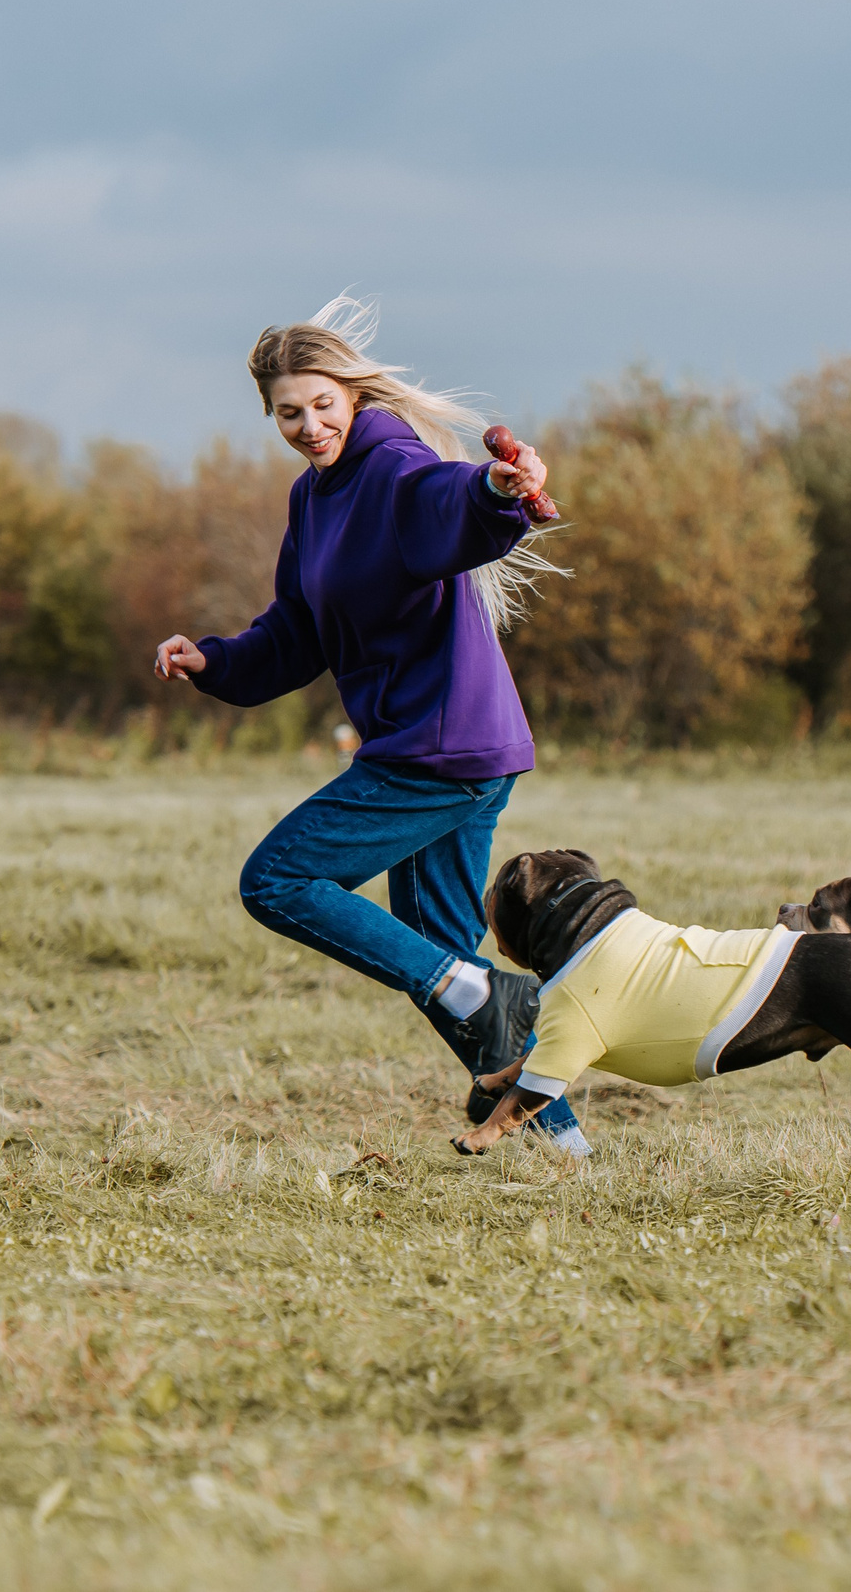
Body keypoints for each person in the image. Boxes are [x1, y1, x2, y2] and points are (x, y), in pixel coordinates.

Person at [153, 299, 586, 1153]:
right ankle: (566, 1147)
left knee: (276, 881)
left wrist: (497, 490)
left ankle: (475, 991)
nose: (308, 425)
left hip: (439, 747)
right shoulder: (313, 500)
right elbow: (296, 629)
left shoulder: (391, 464)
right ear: (269, 413)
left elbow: (443, 498)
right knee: (443, 960)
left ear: (351, 395)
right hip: (449, 746)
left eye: (321, 403)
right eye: (288, 412)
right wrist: (216, 661)